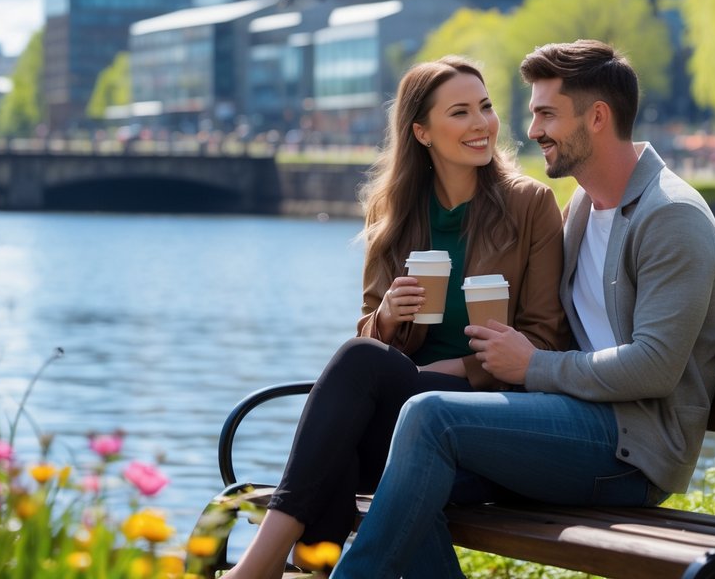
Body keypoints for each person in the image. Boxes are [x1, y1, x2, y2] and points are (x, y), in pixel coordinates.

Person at [331, 40, 715, 579]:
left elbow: (656, 367)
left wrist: (533, 366)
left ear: (596, 117)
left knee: (428, 416)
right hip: (564, 423)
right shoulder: (584, 208)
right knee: (391, 463)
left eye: (546, 113)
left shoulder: (670, 215)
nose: (532, 129)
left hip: (632, 451)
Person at [224, 56, 567, 578]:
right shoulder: (395, 212)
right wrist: (385, 319)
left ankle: (266, 567)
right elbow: (369, 334)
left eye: (486, 107)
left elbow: (543, 339)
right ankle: (303, 565)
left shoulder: (530, 205)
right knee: (343, 418)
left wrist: (432, 374)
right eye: (460, 112)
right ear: (422, 132)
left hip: (484, 422)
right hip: (396, 422)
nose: (482, 124)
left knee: (355, 380)